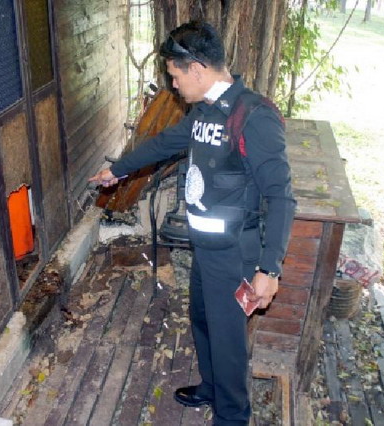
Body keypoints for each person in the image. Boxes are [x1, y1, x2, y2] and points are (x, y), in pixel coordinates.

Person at [89, 21, 296, 425]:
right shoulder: (204, 110)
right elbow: (166, 142)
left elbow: (281, 197)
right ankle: (211, 388)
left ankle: (232, 416)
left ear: (198, 69)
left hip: (236, 254)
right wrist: (117, 170)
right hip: (205, 247)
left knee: (228, 339)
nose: (173, 84)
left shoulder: (253, 117)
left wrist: (270, 268)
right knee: (203, 320)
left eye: (175, 75)